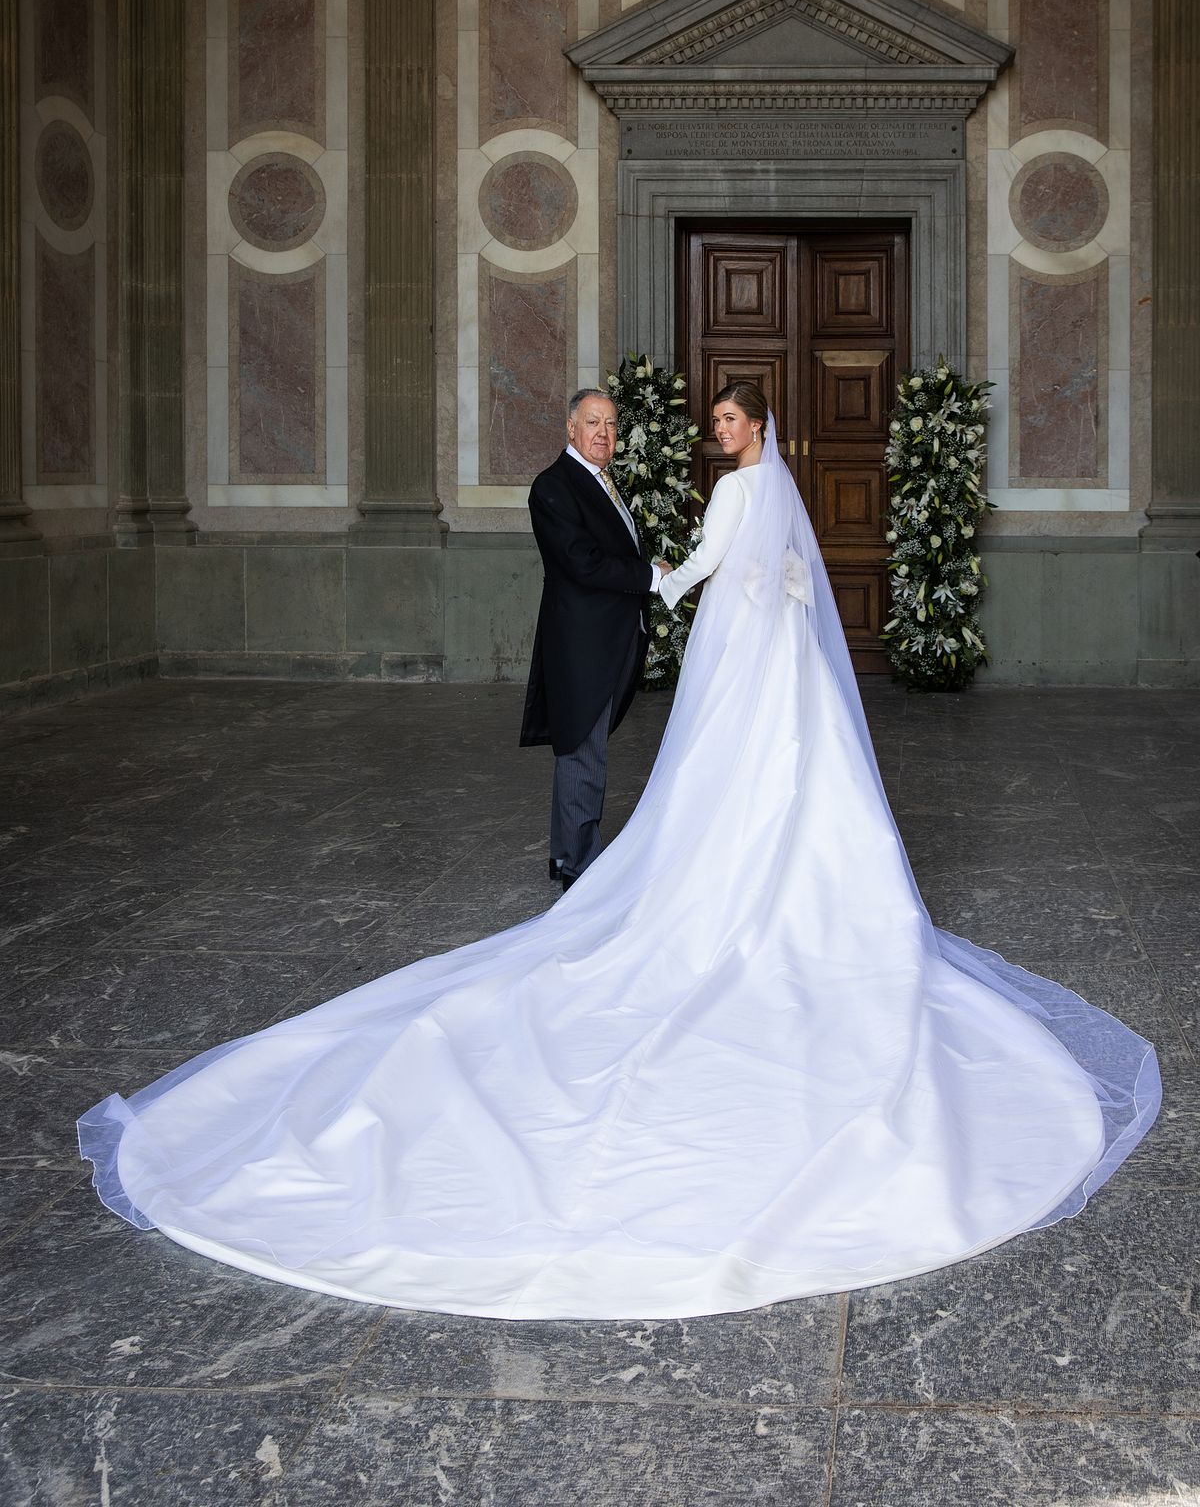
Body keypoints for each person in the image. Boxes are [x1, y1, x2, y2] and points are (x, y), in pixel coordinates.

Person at [77, 381, 1161, 1321]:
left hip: (737, 655)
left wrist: (668, 582)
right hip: (770, 661)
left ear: (758, 426)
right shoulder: (763, 490)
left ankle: (699, 882)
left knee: (719, 777)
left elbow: (708, 568)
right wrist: (689, 581)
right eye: (715, 420)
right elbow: (770, 575)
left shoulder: (736, 493)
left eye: (731, 420)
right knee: (768, 777)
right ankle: (762, 883)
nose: (720, 431)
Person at [520, 389, 671, 891]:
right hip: (581, 646)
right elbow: (582, 563)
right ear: (570, 428)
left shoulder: (602, 480)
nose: (603, 433)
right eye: (592, 422)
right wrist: (651, 576)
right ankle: (578, 870)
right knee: (581, 752)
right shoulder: (553, 486)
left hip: (607, 640)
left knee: (585, 751)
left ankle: (568, 856)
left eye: (610, 424)